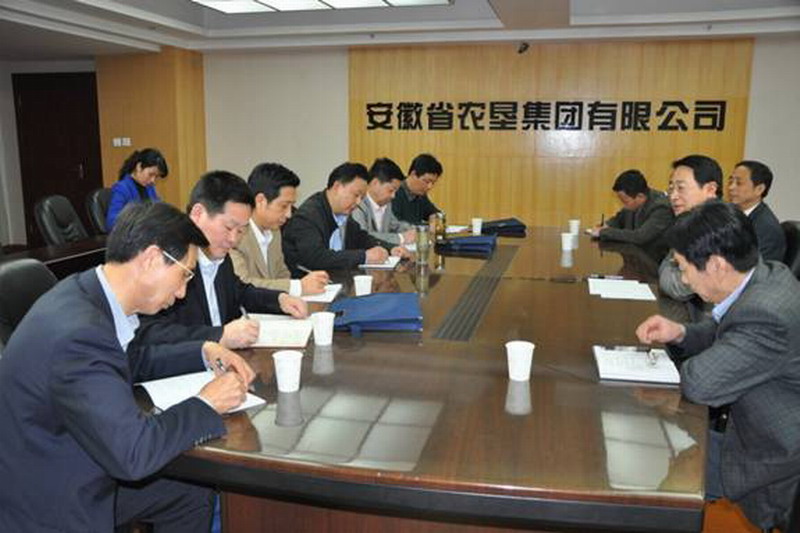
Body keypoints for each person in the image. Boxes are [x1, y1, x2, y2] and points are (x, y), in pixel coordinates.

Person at [0, 202, 255, 532]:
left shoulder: (84, 291)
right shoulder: (79, 333)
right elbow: (134, 454)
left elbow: (127, 360)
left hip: (72, 455)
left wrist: (202, 352)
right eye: (184, 275)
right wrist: (207, 402)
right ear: (151, 259)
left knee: (190, 493)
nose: (182, 292)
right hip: (50, 498)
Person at [635, 201, 800, 531]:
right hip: (757, 427)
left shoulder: (766, 315)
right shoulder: (767, 275)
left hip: (774, 455)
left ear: (716, 265)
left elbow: (700, 384)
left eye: (684, 268)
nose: (683, 279)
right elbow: (727, 330)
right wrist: (680, 332)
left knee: (651, 478)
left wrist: (693, 362)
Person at [134, 170, 307, 350]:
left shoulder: (220, 254)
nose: (233, 240)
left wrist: (279, 299)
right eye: (228, 227)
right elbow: (149, 332)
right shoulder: (168, 260)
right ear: (198, 213)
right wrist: (220, 335)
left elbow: (239, 291)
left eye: (241, 231)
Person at [282, 162, 404, 276]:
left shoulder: (342, 213)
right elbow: (316, 257)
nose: (358, 202)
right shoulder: (308, 215)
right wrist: (364, 256)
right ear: (337, 187)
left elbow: (361, 238)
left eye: (362, 197)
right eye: (356, 195)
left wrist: (390, 248)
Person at [231, 162, 329, 295]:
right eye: (283, 206)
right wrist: (298, 286)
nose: (289, 214)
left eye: (291, 206)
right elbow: (243, 283)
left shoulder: (274, 231)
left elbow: (282, 274)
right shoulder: (236, 235)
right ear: (260, 201)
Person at [658, 154, 723, 301]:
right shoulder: (690, 223)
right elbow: (666, 269)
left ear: (710, 189)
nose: (673, 196)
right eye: (671, 188)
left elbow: (674, 286)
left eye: (681, 188)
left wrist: (671, 270)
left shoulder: (720, 229)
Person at [588, 169, 674, 246]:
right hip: (635, 254)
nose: (623, 205)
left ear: (640, 196)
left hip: (653, 256)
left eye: (625, 201)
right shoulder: (634, 203)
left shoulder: (661, 208)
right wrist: (607, 225)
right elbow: (619, 219)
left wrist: (604, 232)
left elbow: (640, 237)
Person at [727, 160, 786, 262]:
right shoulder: (728, 213)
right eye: (730, 181)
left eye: (739, 183)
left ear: (759, 189)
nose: (731, 187)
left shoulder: (767, 229)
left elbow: (757, 268)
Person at [350, 157, 416, 247]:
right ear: (375, 183)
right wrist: (400, 238)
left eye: (395, 191)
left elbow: (395, 225)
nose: (393, 196)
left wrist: (415, 230)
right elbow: (364, 237)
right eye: (391, 190)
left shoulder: (386, 204)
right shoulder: (358, 204)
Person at [106, 148, 168, 230]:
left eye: (156, 176)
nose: (153, 180)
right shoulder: (122, 188)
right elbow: (111, 222)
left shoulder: (149, 188)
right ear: (139, 167)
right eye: (150, 174)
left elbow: (157, 211)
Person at [391, 153, 443, 225]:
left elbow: (435, 213)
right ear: (413, 174)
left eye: (433, 183)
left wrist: (435, 218)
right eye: (427, 181)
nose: (429, 187)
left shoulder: (420, 195)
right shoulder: (393, 193)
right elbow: (396, 226)